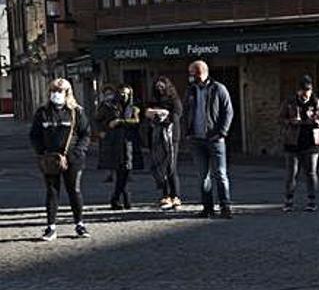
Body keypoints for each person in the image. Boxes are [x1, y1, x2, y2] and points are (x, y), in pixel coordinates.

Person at [29, 78, 91, 241]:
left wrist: (78, 151)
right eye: (53, 90)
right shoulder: (42, 112)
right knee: (52, 192)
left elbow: (85, 134)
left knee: (74, 191)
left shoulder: (76, 111)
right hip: (50, 159)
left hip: (73, 159)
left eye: (60, 90)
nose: (56, 93)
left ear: (67, 93)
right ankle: (51, 227)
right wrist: (41, 152)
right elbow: (34, 135)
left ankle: (80, 224)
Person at [182, 60, 234, 219]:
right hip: (196, 140)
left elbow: (228, 111)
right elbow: (185, 111)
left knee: (220, 174)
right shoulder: (190, 90)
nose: (190, 76)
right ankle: (207, 207)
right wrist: (187, 132)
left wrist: (222, 133)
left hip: (214, 139)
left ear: (201, 72)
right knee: (202, 175)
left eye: (193, 73)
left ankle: (225, 206)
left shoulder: (218, 88)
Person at [279, 75, 319, 213]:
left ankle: (312, 200)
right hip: (293, 142)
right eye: (303, 90)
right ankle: (288, 201)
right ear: (298, 91)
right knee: (291, 173)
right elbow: (281, 118)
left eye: (308, 90)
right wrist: (290, 121)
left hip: (312, 143)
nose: (306, 93)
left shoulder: (316, 102)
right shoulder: (290, 102)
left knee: (311, 173)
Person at [97, 85, 142, 210]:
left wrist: (120, 122)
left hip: (129, 142)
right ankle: (124, 199)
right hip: (114, 142)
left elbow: (136, 121)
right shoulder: (109, 106)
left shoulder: (133, 107)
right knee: (120, 171)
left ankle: (117, 198)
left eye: (127, 94)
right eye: (122, 93)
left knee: (126, 171)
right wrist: (103, 130)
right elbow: (98, 120)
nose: (124, 96)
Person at [145, 76, 184, 210]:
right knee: (160, 167)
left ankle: (175, 196)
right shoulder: (153, 100)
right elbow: (147, 114)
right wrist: (153, 113)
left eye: (162, 87)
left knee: (171, 167)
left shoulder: (174, 100)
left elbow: (177, 115)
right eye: (157, 87)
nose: (160, 89)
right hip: (157, 137)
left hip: (171, 137)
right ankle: (165, 195)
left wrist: (164, 116)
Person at [95, 84, 117, 184]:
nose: (109, 96)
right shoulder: (102, 106)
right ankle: (109, 174)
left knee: (118, 154)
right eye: (106, 94)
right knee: (106, 155)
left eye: (110, 93)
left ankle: (123, 174)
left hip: (117, 132)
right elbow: (97, 119)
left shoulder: (117, 104)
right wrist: (100, 131)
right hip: (106, 132)